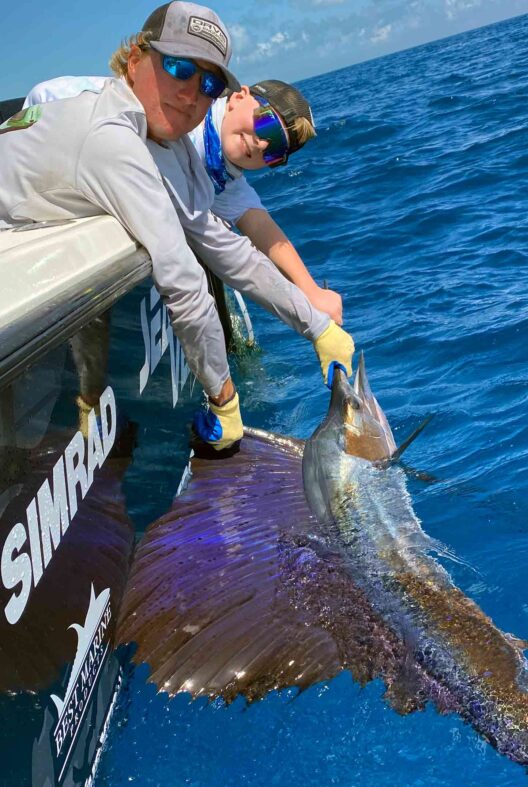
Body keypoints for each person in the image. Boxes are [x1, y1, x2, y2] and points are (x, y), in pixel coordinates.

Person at [0, 2, 353, 454]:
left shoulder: (169, 147)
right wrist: (224, 401)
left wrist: (318, 328)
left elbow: (226, 245)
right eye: (178, 67)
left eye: (207, 83)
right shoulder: (115, 140)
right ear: (135, 61)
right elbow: (185, 282)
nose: (191, 93)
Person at [25, 74, 344, 325]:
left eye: (275, 151)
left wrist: (312, 292)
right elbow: (49, 94)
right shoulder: (188, 118)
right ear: (239, 96)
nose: (261, 143)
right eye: (267, 124)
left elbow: (261, 226)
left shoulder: (224, 175)